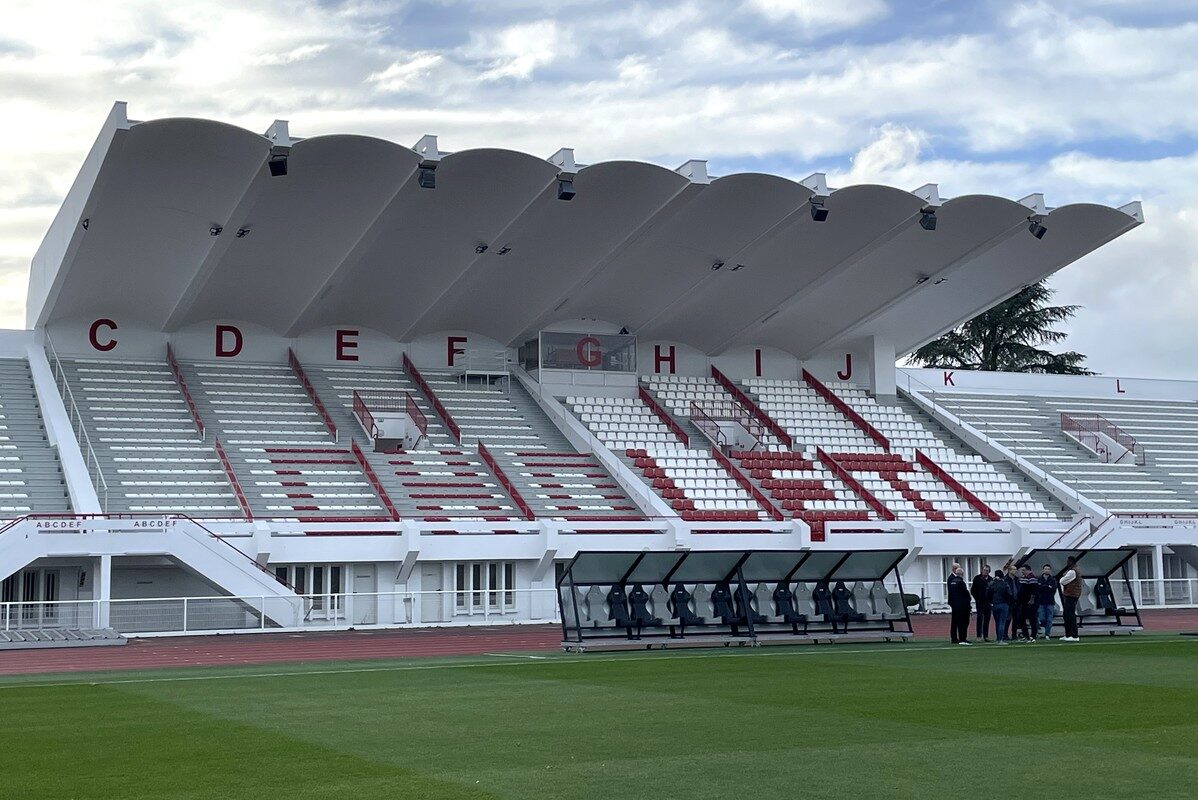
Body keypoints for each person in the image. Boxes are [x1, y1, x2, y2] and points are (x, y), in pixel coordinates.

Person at [986, 564, 1014, 645]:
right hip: (1004, 604)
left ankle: (998, 638)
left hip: (995, 604)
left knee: (997, 622)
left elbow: (987, 593)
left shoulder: (991, 583)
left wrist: (990, 601)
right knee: (1002, 622)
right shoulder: (1004, 584)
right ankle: (1000, 640)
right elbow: (1009, 594)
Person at [946, 563, 971, 645]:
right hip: (960, 605)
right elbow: (965, 594)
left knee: (955, 621)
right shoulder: (957, 581)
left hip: (955, 603)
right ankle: (960, 638)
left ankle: (955, 638)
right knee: (961, 622)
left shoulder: (952, 580)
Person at [1059, 556, 1082, 641]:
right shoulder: (1075, 570)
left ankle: (1074, 635)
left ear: (1071, 562)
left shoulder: (1072, 571)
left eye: (1068, 561)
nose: (1067, 563)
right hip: (1072, 594)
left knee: (1070, 614)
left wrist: (1063, 578)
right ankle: (1068, 634)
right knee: (1066, 614)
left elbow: (1062, 581)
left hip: (1071, 595)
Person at [970, 564, 993, 641]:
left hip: (988, 602)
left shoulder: (991, 579)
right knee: (979, 618)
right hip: (980, 602)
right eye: (984, 570)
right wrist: (977, 598)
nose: (985, 572)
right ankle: (979, 636)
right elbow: (973, 590)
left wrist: (991, 600)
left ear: (989, 572)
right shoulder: (977, 578)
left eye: (987, 570)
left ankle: (986, 636)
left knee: (987, 619)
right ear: (981, 570)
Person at [1016, 565, 1039, 641]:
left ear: (1028, 570)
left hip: (1030, 602)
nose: (1022, 572)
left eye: (1023, 570)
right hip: (1023, 602)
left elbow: (1034, 590)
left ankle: (1033, 636)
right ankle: (1026, 635)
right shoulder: (1023, 578)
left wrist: (1032, 599)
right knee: (1021, 619)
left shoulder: (1032, 578)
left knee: (1032, 619)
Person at [1035, 564, 1058, 639]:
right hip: (1041, 601)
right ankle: (1043, 628)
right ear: (1043, 570)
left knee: (1049, 619)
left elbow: (1053, 589)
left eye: (1048, 569)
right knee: (1042, 618)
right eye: (1045, 569)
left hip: (1050, 602)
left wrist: (1044, 587)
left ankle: (1047, 634)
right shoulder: (1039, 579)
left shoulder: (1053, 579)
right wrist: (1047, 587)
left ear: (1050, 570)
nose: (1047, 570)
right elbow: (1038, 588)